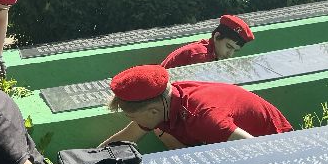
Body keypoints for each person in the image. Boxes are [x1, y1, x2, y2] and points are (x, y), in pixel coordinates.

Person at [102, 64, 292, 149]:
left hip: (277, 145)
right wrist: (89, 160)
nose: (134, 122)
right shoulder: (165, 102)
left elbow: (257, 148)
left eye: (133, 117)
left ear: (153, 111)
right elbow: (127, 138)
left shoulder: (204, 118)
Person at [161, 14, 255, 69]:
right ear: (217, 36)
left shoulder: (210, 50)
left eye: (235, 50)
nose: (230, 55)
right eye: (229, 47)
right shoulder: (201, 56)